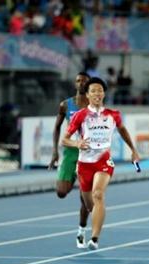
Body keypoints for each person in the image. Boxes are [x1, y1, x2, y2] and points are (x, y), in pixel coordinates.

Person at [61, 77, 140, 250]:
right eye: (93, 91)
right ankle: (83, 227)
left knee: (98, 195)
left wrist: (133, 150)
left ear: (104, 94)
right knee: (89, 204)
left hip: (103, 161)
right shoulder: (80, 116)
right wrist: (77, 143)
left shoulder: (113, 114)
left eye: (100, 90)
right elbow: (64, 140)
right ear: (88, 95)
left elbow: (123, 130)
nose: (97, 93)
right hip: (84, 164)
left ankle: (95, 239)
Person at [48, 72, 91, 249]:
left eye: (83, 81)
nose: (80, 83)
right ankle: (75, 180)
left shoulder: (94, 105)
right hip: (70, 152)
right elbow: (57, 127)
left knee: (84, 200)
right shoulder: (66, 105)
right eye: (78, 80)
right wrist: (54, 151)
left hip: (87, 154)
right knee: (61, 192)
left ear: (89, 84)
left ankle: (81, 231)